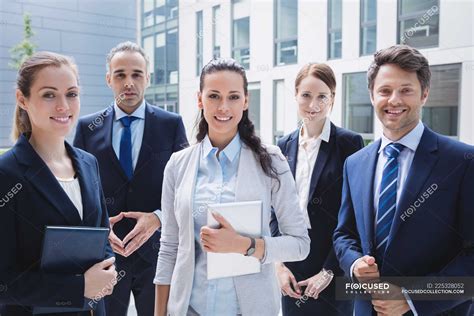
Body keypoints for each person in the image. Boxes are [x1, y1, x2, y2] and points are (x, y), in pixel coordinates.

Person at [153, 58, 310, 316]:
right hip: (188, 309)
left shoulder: (271, 161)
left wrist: (244, 245)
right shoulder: (177, 165)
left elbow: (300, 244)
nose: (223, 107)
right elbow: (169, 247)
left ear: (245, 101)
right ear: (200, 100)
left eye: (233, 97)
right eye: (214, 96)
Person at [333, 45, 474, 315]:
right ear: (372, 96)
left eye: (406, 90)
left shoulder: (462, 161)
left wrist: (412, 298)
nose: (394, 100)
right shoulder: (355, 163)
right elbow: (344, 234)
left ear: (424, 94)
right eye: (385, 91)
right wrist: (354, 264)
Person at [73, 41, 188, 316]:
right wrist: (100, 229)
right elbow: (77, 191)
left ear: (147, 78)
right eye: (120, 74)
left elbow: (186, 188)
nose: (129, 82)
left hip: (159, 253)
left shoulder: (171, 124)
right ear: (108, 79)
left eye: (136, 74)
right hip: (105, 257)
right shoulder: (87, 128)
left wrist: (158, 217)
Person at [0, 52, 116, 315]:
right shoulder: (7, 174)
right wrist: (78, 287)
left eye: (71, 94)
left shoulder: (88, 163)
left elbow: (101, 235)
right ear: (22, 99)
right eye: (49, 95)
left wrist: (110, 269)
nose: (63, 106)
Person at [273, 63, 363, 315]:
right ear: (295, 95)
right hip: (292, 263)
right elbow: (274, 209)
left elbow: (354, 215)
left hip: (332, 261)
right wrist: (278, 265)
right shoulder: (283, 145)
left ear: (332, 98)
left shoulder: (349, 143)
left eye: (322, 96)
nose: (313, 105)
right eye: (306, 95)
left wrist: (329, 271)